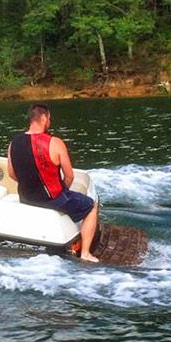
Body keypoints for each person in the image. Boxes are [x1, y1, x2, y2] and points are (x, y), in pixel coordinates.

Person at [7, 104, 100, 262]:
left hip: (26, 198)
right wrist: (63, 192)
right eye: (49, 119)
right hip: (52, 200)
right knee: (91, 206)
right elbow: (69, 176)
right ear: (43, 118)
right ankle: (85, 253)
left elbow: (12, 174)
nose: (49, 122)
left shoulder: (13, 143)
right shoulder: (55, 142)